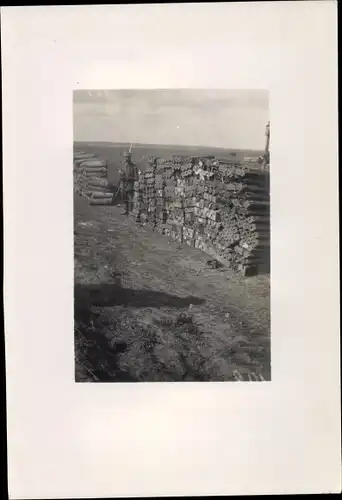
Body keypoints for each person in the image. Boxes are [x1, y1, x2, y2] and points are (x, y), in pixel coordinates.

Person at [121, 151, 138, 215]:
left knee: (130, 197)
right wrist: (121, 176)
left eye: (127, 157)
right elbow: (122, 174)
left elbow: (136, 178)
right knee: (124, 197)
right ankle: (125, 210)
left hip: (130, 184)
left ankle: (131, 211)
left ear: (130, 158)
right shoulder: (124, 166)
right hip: (123, 184)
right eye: (125, 157)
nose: (126, 159)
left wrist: (129, 178)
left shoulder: (134, 167)